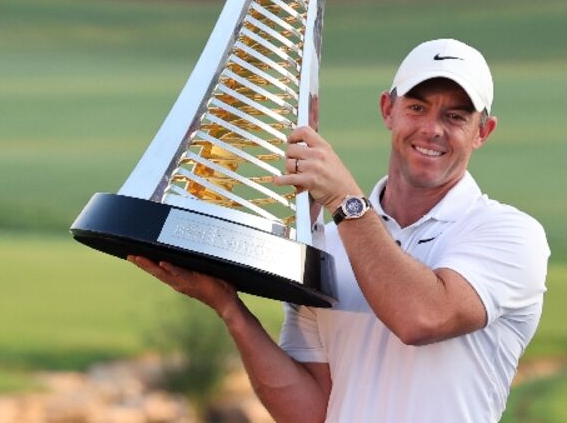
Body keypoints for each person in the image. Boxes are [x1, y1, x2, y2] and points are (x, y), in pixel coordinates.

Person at [131, 38, 548, 423]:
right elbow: (313, 412)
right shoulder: (329, 245)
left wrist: (345, 201)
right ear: (388, 109)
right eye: (417, 108)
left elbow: (421, 317)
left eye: (455, 116)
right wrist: (230, 309)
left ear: (483, 132)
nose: (432, 130)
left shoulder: (509, 235)